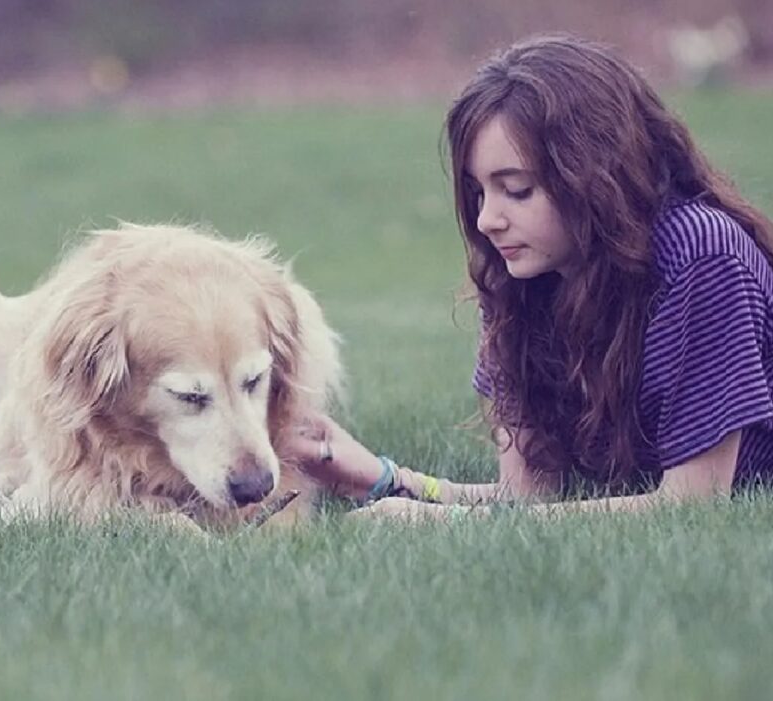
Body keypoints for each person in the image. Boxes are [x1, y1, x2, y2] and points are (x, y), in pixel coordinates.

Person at [290, 33, 773, 521]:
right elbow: (524, 501)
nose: (487, 220)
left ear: (597, 177)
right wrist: (384, 479)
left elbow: (694, 503)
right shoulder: (523, 273)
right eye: (479, 192)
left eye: (516, 189)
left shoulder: (701, 255)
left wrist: (442, 524)